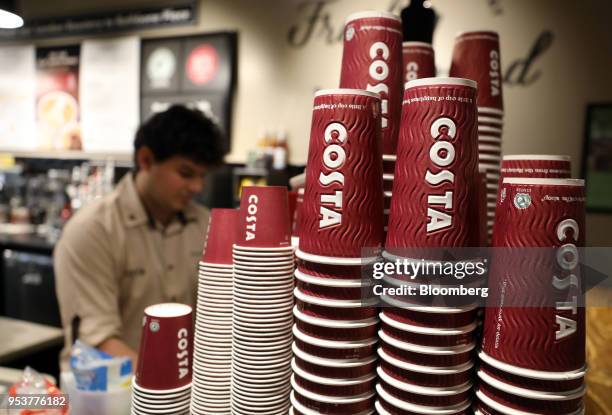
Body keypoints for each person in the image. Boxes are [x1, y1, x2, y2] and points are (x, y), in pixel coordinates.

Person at [54, 105, 225, 370]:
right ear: (145, 160)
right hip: (107, 395)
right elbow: (98, 341)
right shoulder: (92, 230)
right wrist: (172, 387)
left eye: (202, 176)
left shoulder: (207, 226)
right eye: (186, 173)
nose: (197, 187)